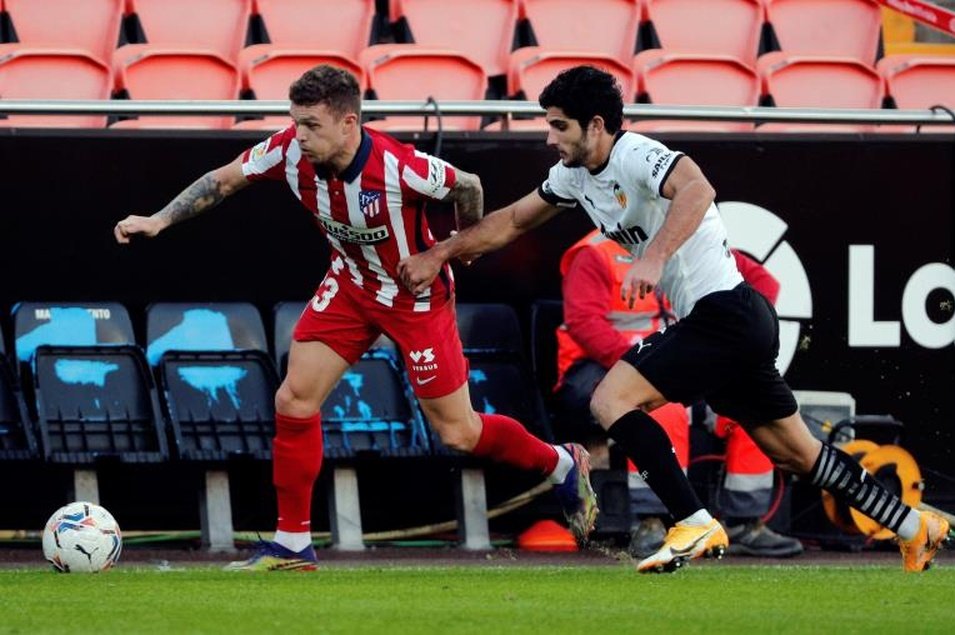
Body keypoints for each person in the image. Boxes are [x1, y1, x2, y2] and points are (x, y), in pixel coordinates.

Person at [397, 65, 949, 574]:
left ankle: (692, 520)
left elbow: (698, 188)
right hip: (736, 323)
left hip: (723, 315)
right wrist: (440, 253)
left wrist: (655, 255)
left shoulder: (636, 152)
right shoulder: (573, 176)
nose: (549, 138)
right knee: (795, 451)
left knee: (611, 400)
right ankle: (914, 525)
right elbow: (513, 221)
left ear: (595, 126)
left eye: (559, 126)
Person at [113, 65, 598, 571]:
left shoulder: (398, 166)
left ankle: (561, 461)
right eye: (295, 122)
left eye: (312, 126)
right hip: (350, 288)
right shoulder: (287, 150)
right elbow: (225, 179)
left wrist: (461, 245)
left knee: (458, 432)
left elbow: (468, 185)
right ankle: (292, 545)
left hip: (416, 299)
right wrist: (160, 219)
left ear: (348, 124)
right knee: (294, 399)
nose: (299, 136)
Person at [555, 229, 802, 558]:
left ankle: (745, 522)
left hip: (679, 362)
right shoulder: (595, 253)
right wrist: (648, 364)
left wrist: (731, 337)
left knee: (749, 402)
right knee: (662, 409)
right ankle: (652, 522)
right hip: (598, 370)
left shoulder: (691, 239)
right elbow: (584, 322)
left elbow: (763, 285)